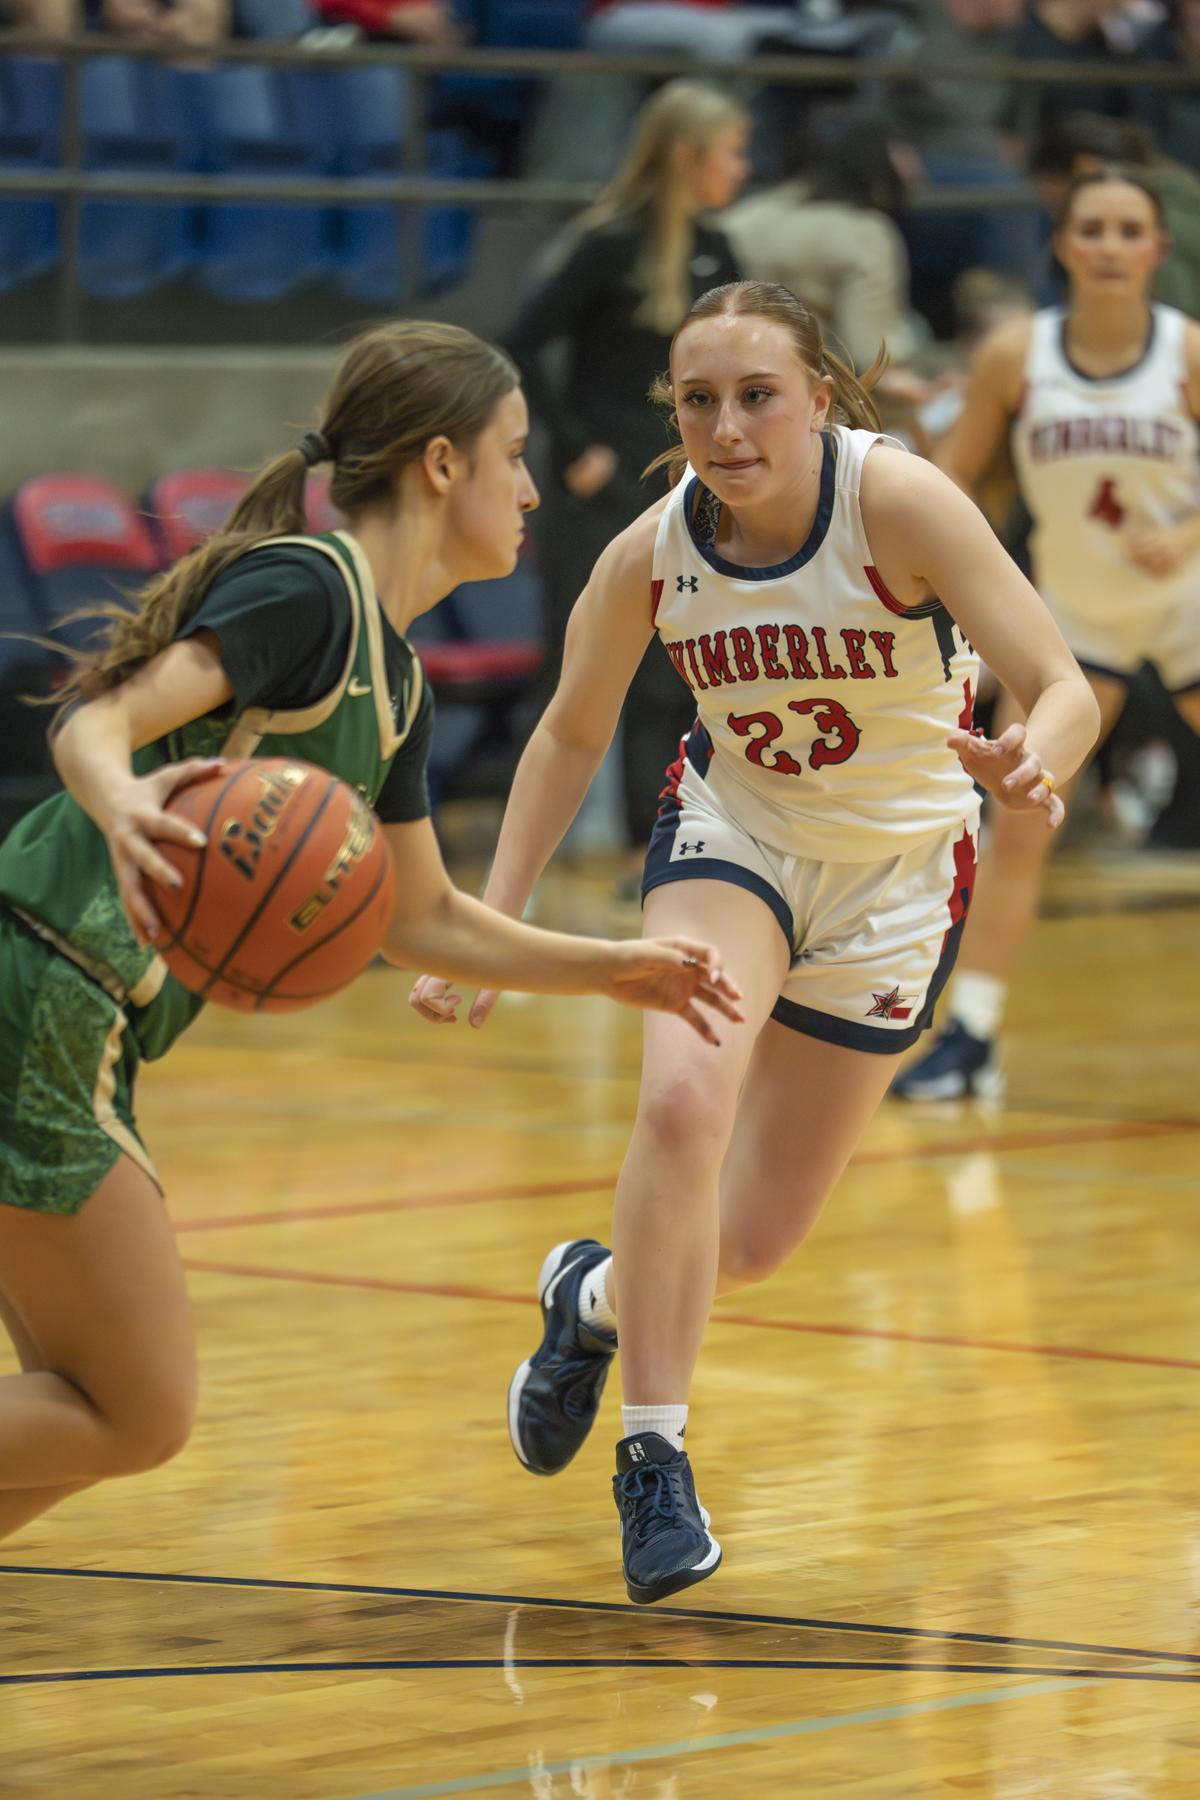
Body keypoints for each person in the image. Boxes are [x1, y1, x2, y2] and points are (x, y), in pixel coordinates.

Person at [409, 281, 1100, 1603]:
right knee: (679, 1107)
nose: (728, 426)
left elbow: (1058, 682)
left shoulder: (896, 502)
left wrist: (1034, 760)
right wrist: (483, 929)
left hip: (899, 878)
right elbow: (564, 734)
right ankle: (653, 1460)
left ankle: (594, 1300)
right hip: (737, 842)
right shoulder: (651, 553)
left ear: (819, 399)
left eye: (757, 394)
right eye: (701, 399)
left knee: (756, 1239)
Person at [0, 319, 742, 1546]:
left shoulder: (396, 685)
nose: (530, 487)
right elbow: (98, 718)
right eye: (513, 454)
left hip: (73, 1014)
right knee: (136, 1411)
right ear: (441, 466)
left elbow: (423, 917)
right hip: (48, 984)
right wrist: (122, 798)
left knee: (87, 1409)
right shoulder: (309, 585)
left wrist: (611, 968)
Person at [894, 170, 1200, 1101]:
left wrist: (1186, 534)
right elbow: (948, 490)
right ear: (1063, 244)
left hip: (1191, 603)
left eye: (1128, 230)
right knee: (1018, 823)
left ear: (1158, 248)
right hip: (1070, 622)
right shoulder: (1017, 355)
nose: (1109, 245)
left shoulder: (1188, 351)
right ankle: (974, 1034)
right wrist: (903, 427)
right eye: (1092, 229)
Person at [507, 79, 747, 871]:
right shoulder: (608, 243)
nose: (740, 168)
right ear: (687, 156)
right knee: (580, 652)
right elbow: (520, 340)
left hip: (681, 483)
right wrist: (573, 445)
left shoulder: (719, 247)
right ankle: (553, 837)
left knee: (674, 660)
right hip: (598, 484)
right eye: (730, 153)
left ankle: (659, 832)